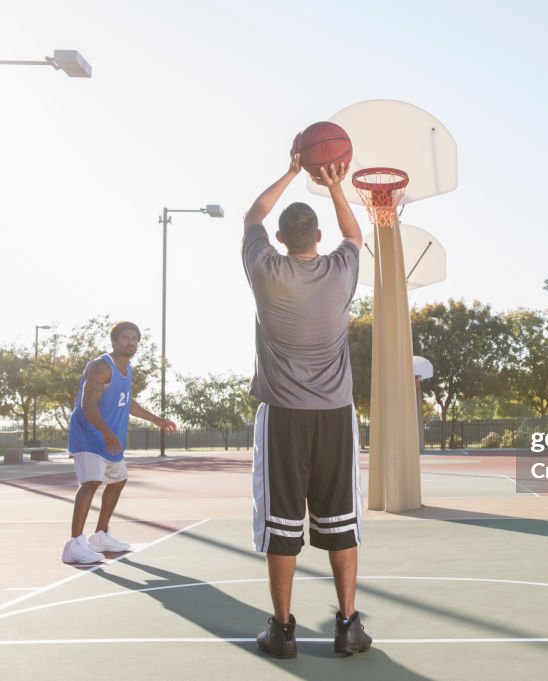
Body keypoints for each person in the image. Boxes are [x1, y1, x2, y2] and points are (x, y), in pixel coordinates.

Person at [242, 138, 370, 659]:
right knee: (340, 522)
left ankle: (283, 630)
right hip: (337, 416)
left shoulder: (265, 271)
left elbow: (252, 215)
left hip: (285, 418)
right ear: (318, 235)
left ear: (279, 238)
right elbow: (355, 234)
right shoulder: (341, 272)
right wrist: (336, 186)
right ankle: (346, 625)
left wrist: (293, 171)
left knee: (282, 524)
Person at [61, 321, 176, 564]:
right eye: (125, 338)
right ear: (114, 341)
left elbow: (128, 402)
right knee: (90, 483)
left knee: (118, 480)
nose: (130, 342)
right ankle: (74, 543)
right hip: (88, 435)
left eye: (134, 339)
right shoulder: (101, 367)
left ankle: (100, 535)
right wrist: (105, 431)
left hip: (108, 438)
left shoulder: (127, 369)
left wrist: (157, 419)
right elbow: (87, 405)